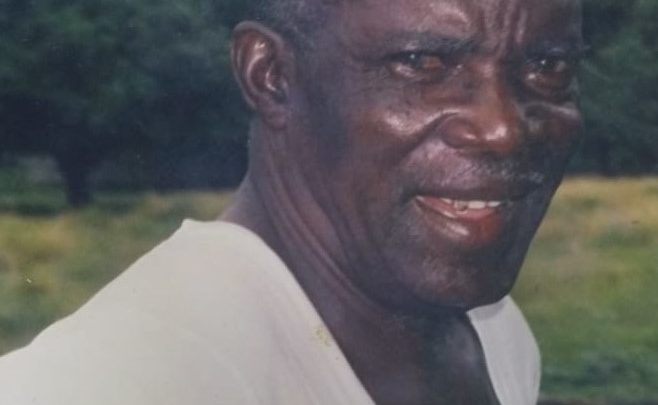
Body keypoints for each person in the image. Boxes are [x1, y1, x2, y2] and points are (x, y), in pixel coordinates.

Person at [0, 0, 584, 404]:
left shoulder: (495, 334)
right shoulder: (118, 376)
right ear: (271, 75)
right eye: (421, 63)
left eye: (547, 67)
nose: (504, 129)